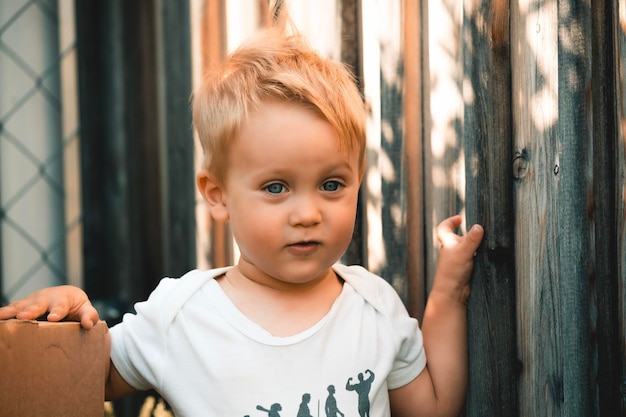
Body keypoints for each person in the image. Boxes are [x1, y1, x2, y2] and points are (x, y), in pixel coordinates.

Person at [0, 5, 483, 417]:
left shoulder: (375, 310)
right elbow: (88, 379)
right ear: (218, 195)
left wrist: (448, 293)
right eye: (277, 187)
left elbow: (434, 406)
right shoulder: (182, 317)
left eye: (331, 184)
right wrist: (66, 321)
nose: (308, 212)